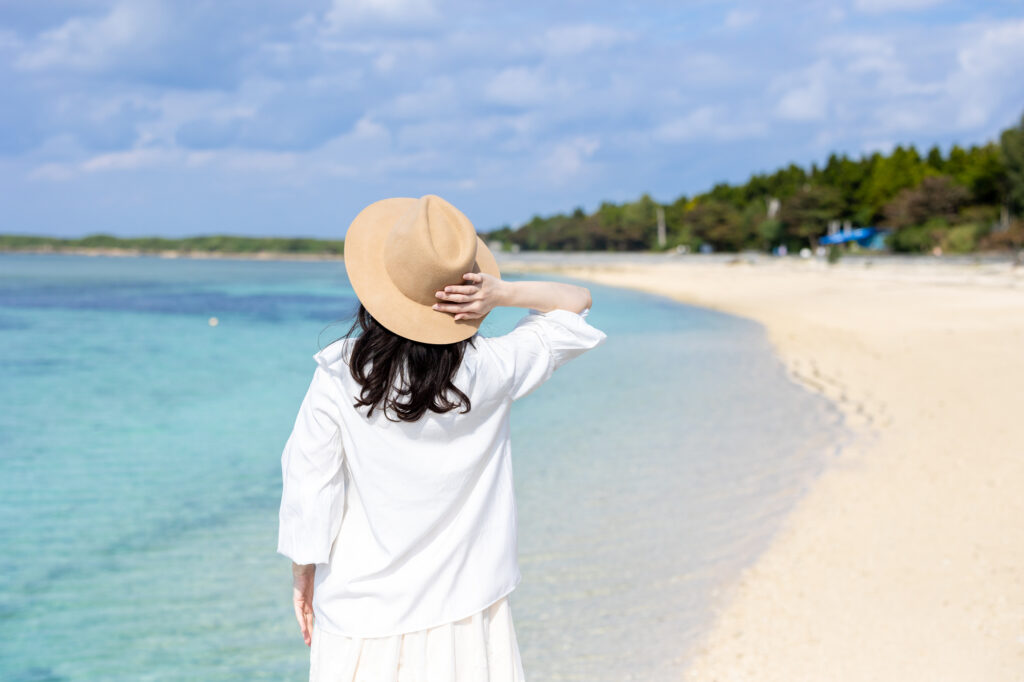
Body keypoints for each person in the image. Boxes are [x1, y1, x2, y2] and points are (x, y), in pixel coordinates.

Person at [276, 194, 607, 681]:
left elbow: (311, 481)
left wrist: (303, 568)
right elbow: (576, 303)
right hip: (468, 607)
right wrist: (502, 293)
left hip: (362, 610)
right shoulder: (493, 368)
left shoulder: (340, 374)